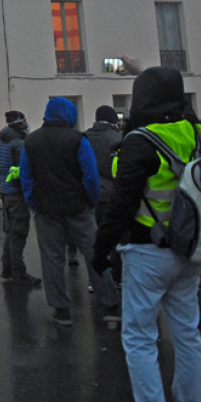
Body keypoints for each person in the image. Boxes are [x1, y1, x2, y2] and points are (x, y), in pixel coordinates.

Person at [93, 67, 201, 401]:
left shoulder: (139, 141)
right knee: (188, 334)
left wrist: (101, 249)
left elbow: (122, 203)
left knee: (139, 337)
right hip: (189, 247)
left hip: (147, 250)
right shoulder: (196, 133)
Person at [20, 97, 120, 326]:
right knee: (95, 254)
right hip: (78, 208)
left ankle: (61, 310)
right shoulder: (77, 139)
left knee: (52, 259)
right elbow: (90, 176)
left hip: (46, 208)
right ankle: (110, 305)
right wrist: (91, 201)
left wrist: (33, 202)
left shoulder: (31, 141)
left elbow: (26, 177)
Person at [0, 111, 41, 286]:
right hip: (17, 194)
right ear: (19, 124)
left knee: (10, 233)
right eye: (24, 122)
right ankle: (19, 274)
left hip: (6, 192)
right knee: (18, 234)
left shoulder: (2, 141)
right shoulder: (18, 144)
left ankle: (7, 268)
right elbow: (23, 171)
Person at [85, 106, 124, 287]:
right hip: (112, 196)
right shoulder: (117, 139)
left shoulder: (85, 138)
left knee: (94, 239)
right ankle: (116, 278)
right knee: (114, 239)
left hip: (89, 196)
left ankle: (95, 280)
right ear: (114, 120)